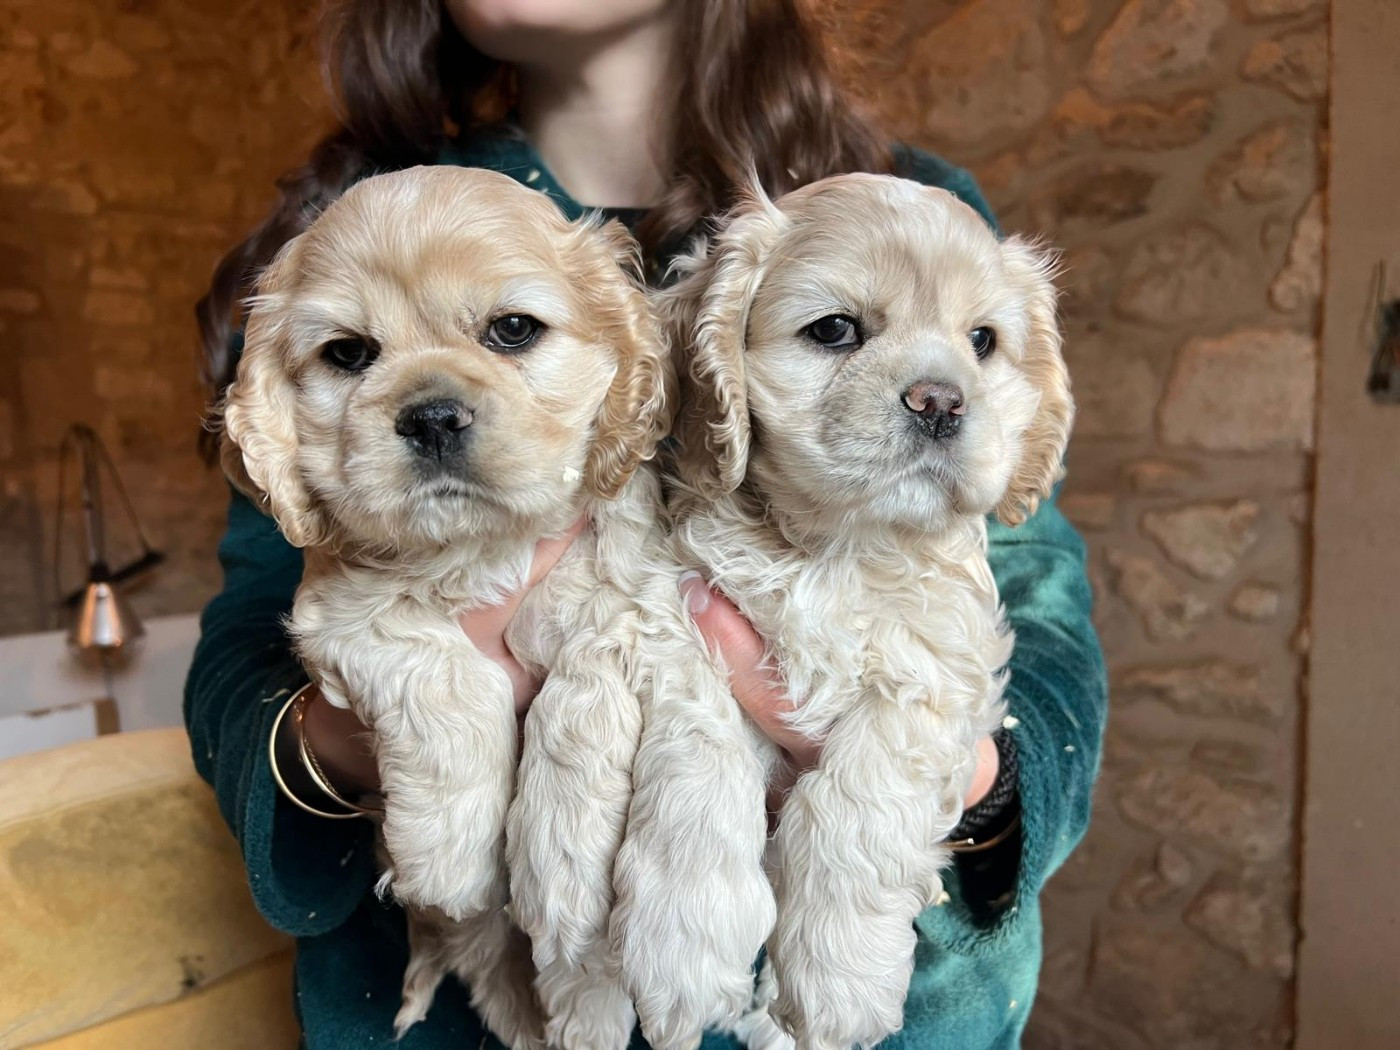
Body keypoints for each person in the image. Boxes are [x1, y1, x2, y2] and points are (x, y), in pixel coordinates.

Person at [185, 1, 1107, 1047]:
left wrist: (937, 777)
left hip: (887, 1009)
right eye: (836, 329)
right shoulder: (344, 229)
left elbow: (1039, 622)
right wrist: (369, 735)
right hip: (448, 1013)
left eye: (512, 329)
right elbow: (247, 642)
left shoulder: (920, 212)